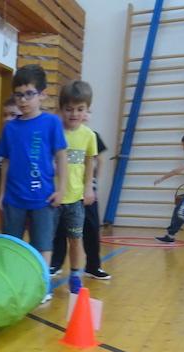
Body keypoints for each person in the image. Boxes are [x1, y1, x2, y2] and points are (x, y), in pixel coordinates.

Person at [0, 64, 67, 282]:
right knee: (11, 244)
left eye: (29, 94)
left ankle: (41, 285)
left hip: (43, 198)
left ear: (42, 94)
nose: (23, 100)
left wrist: (61, 189)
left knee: (43, 244)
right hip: (14, 198)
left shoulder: (51, 122)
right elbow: (6, 161)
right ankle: (11, 283)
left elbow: (61, 156)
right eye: (18, 95)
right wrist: (2, 193)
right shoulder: (10, 128)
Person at [51, 110, 111, 280]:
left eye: (84, 110)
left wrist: (92, 184)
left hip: (84, 191)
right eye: (70, 109)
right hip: (62, 192)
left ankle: (93, 266)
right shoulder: (57, 133)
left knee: (90, 228)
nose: (78, 114)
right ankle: (55, 264)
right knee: (59, 230)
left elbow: (97, 160)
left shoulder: (91, 135)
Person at [50, 81, 98, 293]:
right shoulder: (54, 131)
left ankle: (76, 275)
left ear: (87, 110)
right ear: (61, 109)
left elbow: (90, 162)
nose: (74, 114)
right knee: (47, 240)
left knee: (75, 239)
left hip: (75, 198)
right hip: (52, 197)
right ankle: (43, 276)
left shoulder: (89, 135)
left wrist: (89, 188)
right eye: (69, 109)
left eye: (80, 109)